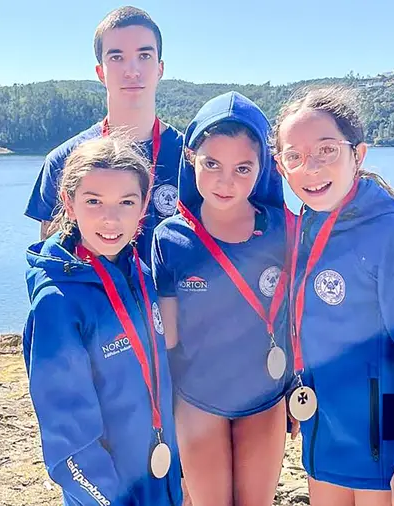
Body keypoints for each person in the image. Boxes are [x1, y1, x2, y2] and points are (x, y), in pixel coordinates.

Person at [271, 85, 394, 506]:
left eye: (326, 150)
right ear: (281, 166)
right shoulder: (304, 226)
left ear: (357, 154)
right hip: (324, 439)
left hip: (383, 450)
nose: (310, 168)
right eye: (295, 156)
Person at [22, 134, 184, 506]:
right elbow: (69, 440)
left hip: (158, 480)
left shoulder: (138, 273)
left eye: (126, 202)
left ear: (144, 205)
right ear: (69, 203)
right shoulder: (57, 303)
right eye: (93, 201)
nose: (111, 219)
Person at [150, 92, 290, 506]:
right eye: (211, 164)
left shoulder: (285, 230)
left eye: (242, 168)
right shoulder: (170, 239)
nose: (225, 181)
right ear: (191, 158)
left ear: (263, 168)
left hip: (264, 399)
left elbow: (302, 318)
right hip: (197, 401)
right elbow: (169, 339)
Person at [25, 6, 184, 264]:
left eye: (144, 55)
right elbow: (50, 266)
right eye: (117, 57)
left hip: (175, 304)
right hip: (98, 304)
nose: (132, 70)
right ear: (100, 72)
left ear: (160, 68)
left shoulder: (193, 159)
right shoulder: (64, 161)